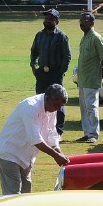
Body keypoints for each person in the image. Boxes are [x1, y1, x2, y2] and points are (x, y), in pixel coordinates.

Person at [0, 84, 70, 195]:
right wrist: (56, 156)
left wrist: (59, 152)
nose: (57, 109)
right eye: (56, 105)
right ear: (47, 98)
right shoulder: (30, 107)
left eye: (60, 107)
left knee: (26, 194)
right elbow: (36, 140)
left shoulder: (52, 108)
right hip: (9, 153)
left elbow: (52, 134)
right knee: (12, 196)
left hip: (26, 156)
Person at [30, 8, 72, 136]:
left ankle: (57, 132)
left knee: (58, 102)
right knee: (41, 101)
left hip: (55, 73)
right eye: (46, 18)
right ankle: (41, 129)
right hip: (42, 73)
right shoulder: (39, 35)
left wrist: (61, 71)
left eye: (51, 19)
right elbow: (34, 52)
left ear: (57, 21)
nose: (47, 21)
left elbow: (67, 56)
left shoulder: (62, 37)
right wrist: (35, 67)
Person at [76, 11, 103, 145]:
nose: (82, 23)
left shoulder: (95, 37)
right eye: (81, 21)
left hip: (91, 79)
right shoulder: (84, 37)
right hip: (83, 79)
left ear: (92, 23)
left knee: (91, 107)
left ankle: (93, 134)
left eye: (86, 21)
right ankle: (87, 133)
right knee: (84, 108)